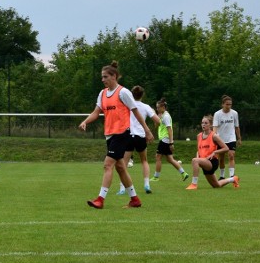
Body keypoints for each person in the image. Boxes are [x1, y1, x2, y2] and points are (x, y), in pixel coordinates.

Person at [78, 61, 154, 209]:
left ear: (113, 76)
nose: (102, 79)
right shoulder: (103, 93)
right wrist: (85, 121)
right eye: (102, 77)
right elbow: (96, 112)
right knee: (120, 167)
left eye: (105, 76)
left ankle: (100, 199)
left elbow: (135, 111)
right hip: (110, 135)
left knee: (108, 165)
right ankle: (135, 200)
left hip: (122, 134)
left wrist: (147, 130)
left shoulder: (123, 92)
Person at [117, 86, 159, 195]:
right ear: (142, 95)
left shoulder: (127, 105)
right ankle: (146, 184)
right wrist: (154, 112)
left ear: (131, 94)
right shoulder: (146, 107)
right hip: (140, 136)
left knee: (124, 163)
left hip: (129, 135)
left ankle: (122, 188)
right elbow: (158, 121)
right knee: (144, 161)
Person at [186, 115, 239, 190]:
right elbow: (199, 150)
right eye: (202, 123)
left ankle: (194, 184)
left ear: (210, 125)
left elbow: (226, 148)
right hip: (204, 162)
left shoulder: (214, 136)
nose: (203, 124)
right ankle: (233, 179)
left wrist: (215, 152)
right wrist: (198, 157)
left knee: (194, 160)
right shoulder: (199, 136)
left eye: (206, 123)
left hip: (212, 162)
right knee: (216, 185)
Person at [152, 98, 189, 183]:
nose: (157, 109)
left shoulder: (166, 116)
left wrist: (171, 142)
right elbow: (156, 126)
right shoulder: (162, 116)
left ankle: (156, 177)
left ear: (163, 107)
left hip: (165, 140)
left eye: (158, 107)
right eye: (156, 108)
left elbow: (170, 129)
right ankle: (184, 173)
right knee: (170, 159)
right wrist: (156, 116)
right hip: (165, 140)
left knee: (158, 157)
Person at [213, 95, 241, 180]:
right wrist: (214, 137)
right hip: (221, 139)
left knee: (231, 155)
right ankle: (222, 176)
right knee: (221, 159)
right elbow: (215, 127)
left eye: (230, 104)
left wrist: (239, 138)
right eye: (227, 104)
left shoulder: (234, 113)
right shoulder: (217, 114)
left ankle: (232, 176)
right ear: (222, 104)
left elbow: (236, 127)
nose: (229, 106)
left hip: (231, 138)